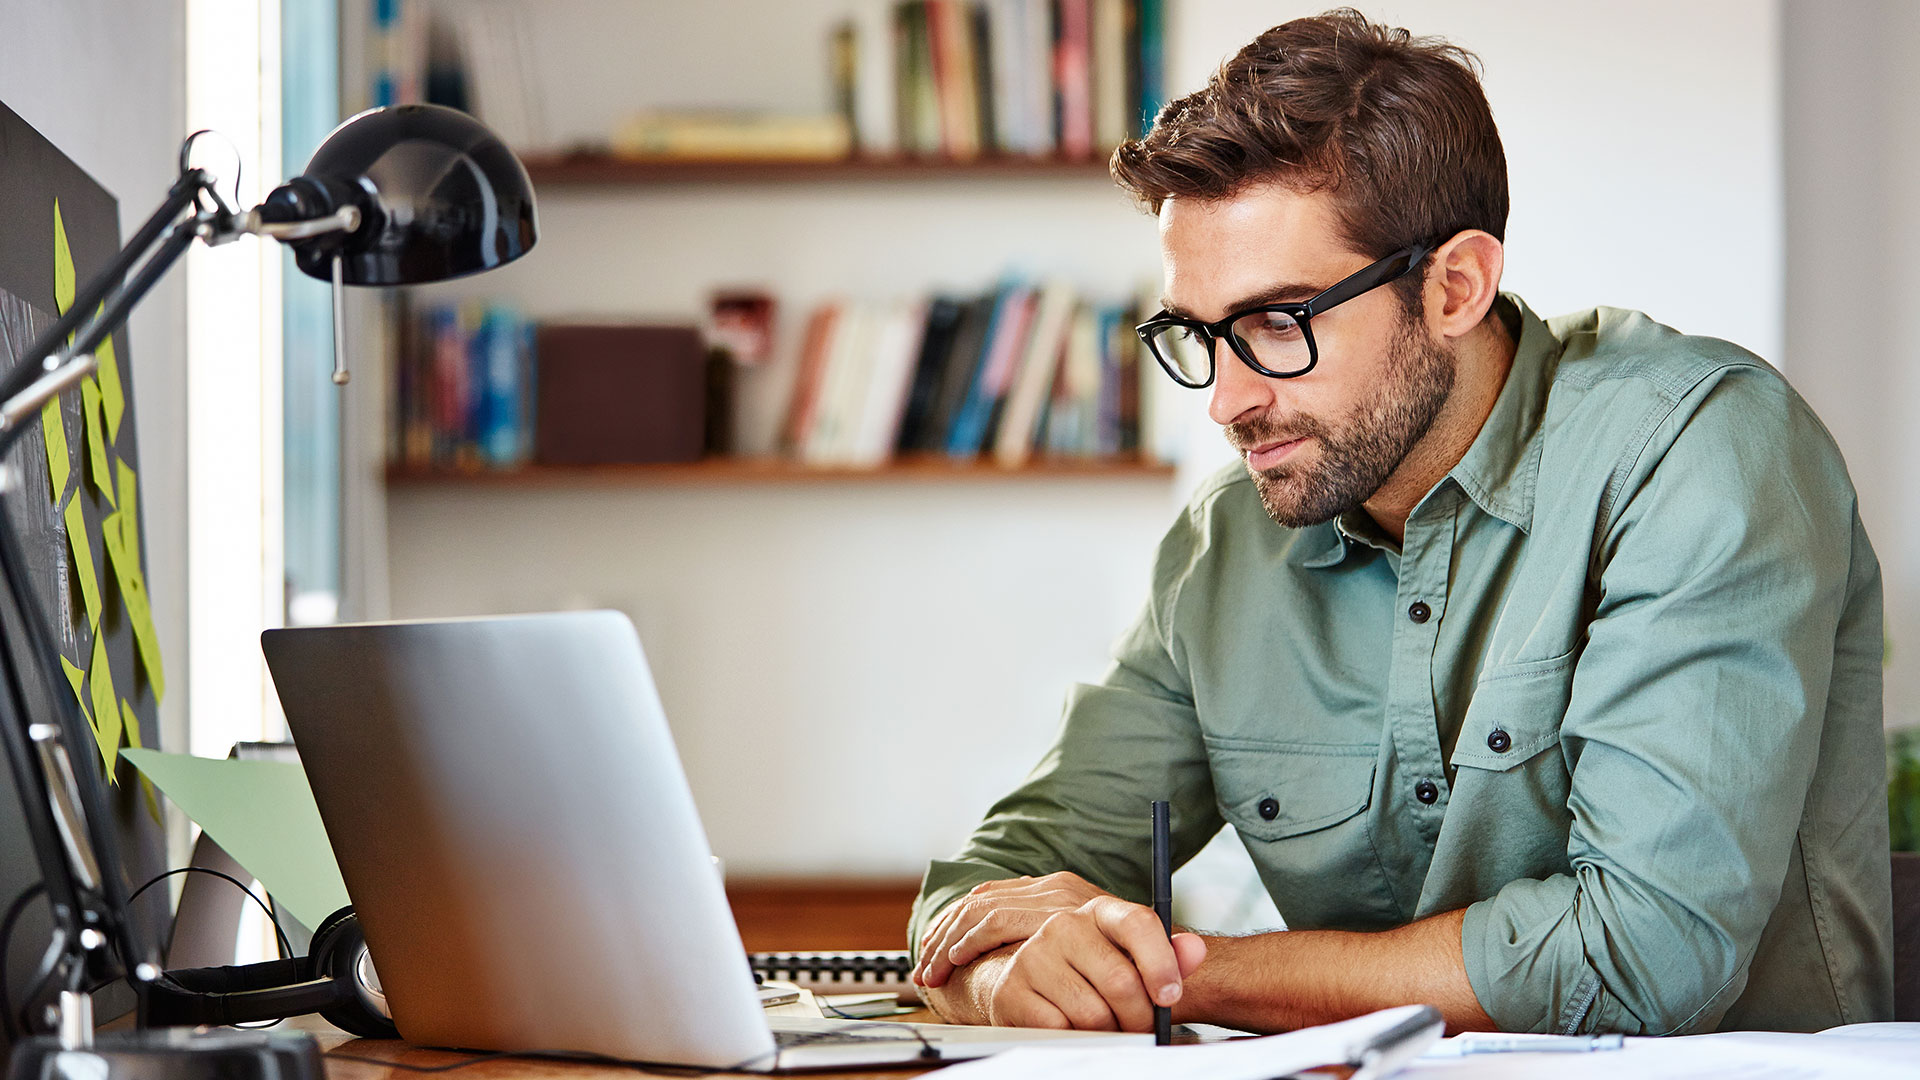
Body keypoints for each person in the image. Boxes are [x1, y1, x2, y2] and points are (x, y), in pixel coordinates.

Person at [907, 8, 1892, 1037]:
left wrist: (1179, 977)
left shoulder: (1697, 451)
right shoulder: (1224, 547)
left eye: (1276, 325)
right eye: (1199, 336)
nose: (1226, 402)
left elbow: (1644, 954)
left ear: (1455, 286)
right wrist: (1005, 969)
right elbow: (992, 890)